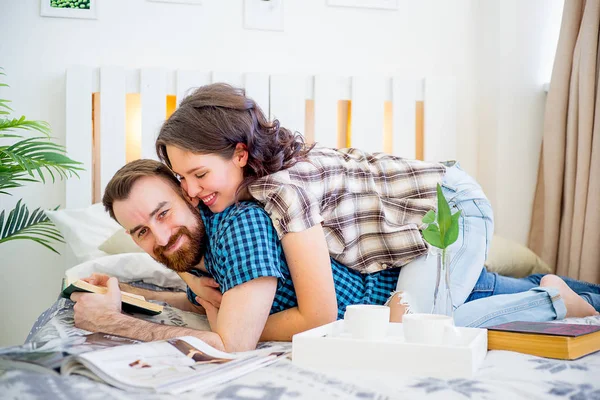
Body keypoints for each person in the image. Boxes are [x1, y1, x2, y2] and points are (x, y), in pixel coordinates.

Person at [154, 83, 598, 327]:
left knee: (420, 328)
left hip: (451, 208)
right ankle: (555, 288)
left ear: (239, 153)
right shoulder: (245, 192)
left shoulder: (284, 192)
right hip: (417, 229)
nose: (191, 192)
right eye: (180, 179)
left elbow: (321, 313)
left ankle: (553, 300)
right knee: (428, 309)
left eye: (199, 175)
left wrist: (231, 323)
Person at [70, 160, 599, 353]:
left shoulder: (238, 224)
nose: (158, 238)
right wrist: (140, 293)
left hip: (402, 289)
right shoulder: (199, 255)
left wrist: (115, 323)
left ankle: (551, 296)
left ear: (190, 193)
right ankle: (560, 291)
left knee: (433, 328)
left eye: (162, 213)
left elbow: (231, 340)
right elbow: (200, 300)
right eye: (140, 231)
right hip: (410, 276)